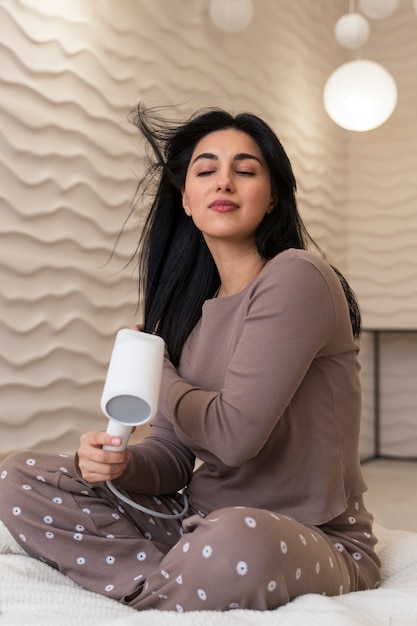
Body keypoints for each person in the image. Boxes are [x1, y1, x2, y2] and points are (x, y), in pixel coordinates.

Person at [0, 105, 381, 612]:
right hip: (195, 519)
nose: (224, 181)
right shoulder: (188, 319)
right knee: (18, 475)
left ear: (271, 199)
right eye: (206, 171)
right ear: (186, 199)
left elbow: (235, 435)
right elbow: (173, 457)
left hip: (310, 535)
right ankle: (170, 583)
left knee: (232, 541)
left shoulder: (298, 277)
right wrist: (120, 464)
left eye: (245, 171)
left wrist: (158, 370)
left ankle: (171, 583)